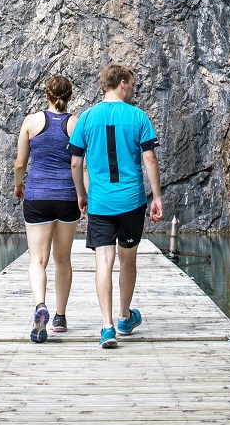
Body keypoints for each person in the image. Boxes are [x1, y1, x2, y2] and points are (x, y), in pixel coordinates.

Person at [67, 63, 163, 349]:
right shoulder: (138, 117)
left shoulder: (86, 118)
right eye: (132, 84)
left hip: (99, 202)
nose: (134, 88)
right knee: (128, 259)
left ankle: (107, 327)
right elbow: (150, 159)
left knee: (103, 262)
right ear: (122, 83)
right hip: (131, 201)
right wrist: (156, 197)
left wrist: (80, 194)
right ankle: (124, 317)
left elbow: (75, 162)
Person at [13, 75, 80, 342]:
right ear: (70, 96)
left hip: (37, 195)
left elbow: (20, 164)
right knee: (62, 259)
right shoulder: (76, 124)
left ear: (46, 96)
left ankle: (40, 305)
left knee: (37, 260)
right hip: (66, 197)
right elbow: (79, 165)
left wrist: (19, 186)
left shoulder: (30, 122)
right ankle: (60, 317)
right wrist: (82, 195)